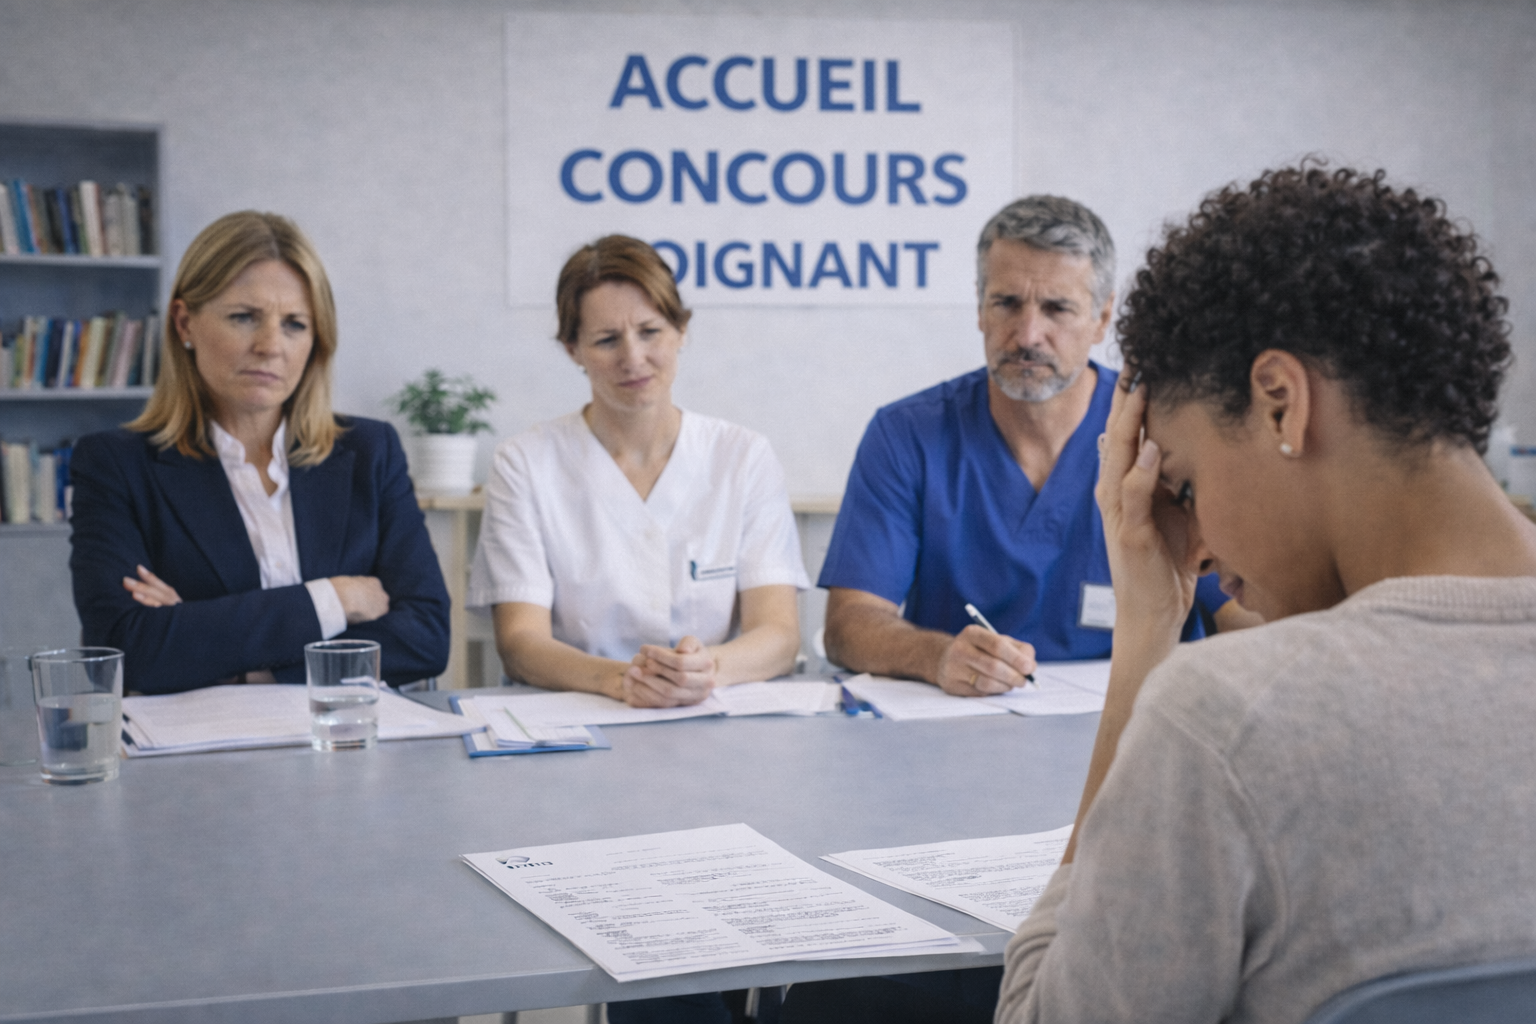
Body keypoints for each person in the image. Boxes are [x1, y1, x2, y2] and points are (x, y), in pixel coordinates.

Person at [995, 165, 1536, 1022]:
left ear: (1281, 404)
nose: (1198, 552)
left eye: (1183, 482)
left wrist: (1147, 639)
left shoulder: (1229, 720)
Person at [817, 195, 1248, 702]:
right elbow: (850, 624)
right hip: (959, 732)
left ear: (1103, 316)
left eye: (1057, 308)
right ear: (979, 307)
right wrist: (936, 657)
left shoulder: (1166, 432)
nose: (1028, 335)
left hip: (1149, 722)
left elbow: (1246, 613)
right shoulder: (907, 435)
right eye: (1007, 303)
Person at [69, 211, 450, 694]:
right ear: (185, 322)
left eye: (294, 324)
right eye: (244, 317)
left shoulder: (370, 452)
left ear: (317, 343)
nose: (271, 346)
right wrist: (334, 599)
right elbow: (127, 652)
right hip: (201, 758)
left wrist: (232, 659)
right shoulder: (116, 465)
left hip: (347, 742)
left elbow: (425, 640)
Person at [468, 233, 806, 708]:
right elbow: (521, 645)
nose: (633, 358)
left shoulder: (743, 456)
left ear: (681, 331)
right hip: (576, 722)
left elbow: (778, 635)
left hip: (711, 716)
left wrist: (703, 671)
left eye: (650, 332)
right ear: (572, 350)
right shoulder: (525, 463)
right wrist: (623, 680)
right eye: (607, 340)